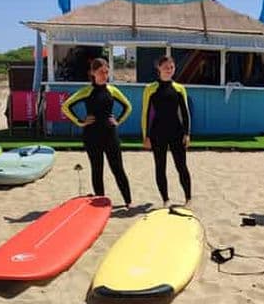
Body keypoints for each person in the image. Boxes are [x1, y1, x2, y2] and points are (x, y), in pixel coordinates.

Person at [62, 57, 132, 208]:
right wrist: (80, 121)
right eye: (101, 72)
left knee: (118, 168)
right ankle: (100, 201)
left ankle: (128, 201)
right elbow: (66, 107)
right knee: (97, 168)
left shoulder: (112, 90)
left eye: (106, 72)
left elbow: (128, 106)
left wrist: (118, 121)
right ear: (93, 73)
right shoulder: (86, 91)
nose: (104, 75)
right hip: (91, 136)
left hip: (110, 134)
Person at [141, 55, 192, 209]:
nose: (169, 70)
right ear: (159, 68)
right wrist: (146, 136)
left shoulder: (179, 88)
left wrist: (187, 133)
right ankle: (166, 199)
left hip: (176, 132)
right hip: (157, 133)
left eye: (171, 67)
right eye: (166, 67)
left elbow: (185, 113)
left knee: (181, 166)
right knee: (160, 166)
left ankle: (188, 198)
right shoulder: (150, 89)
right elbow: (145, 114)